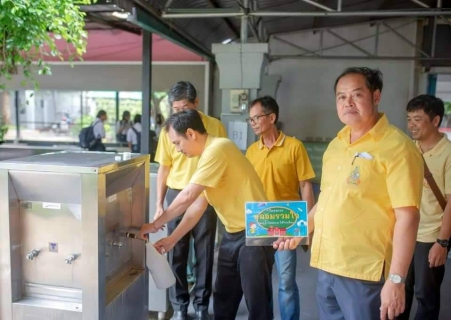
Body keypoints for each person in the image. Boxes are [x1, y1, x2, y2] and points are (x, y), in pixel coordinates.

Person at [274, 67, 424, 320]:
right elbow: (327, 202)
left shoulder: (398, 148)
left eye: (356, 94)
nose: (348, 102)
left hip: (365, 273)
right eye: (341, 97)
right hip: (327, 266)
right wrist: (299, 230)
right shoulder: (336, 145)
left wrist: (397, 280)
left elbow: (408, 217)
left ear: (376, 97)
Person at [139, 109, 276, 320]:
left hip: (255, 231)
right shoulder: (208, 156)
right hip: (232, 233)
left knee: (257, 303)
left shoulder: (219, 148)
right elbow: (197, 206)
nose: (177, 150)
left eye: (177, 143)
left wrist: (154, 224)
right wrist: (172, 239)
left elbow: (187, 196)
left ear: (191, 134)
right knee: (223, 299)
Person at [153, 81, 227, 320]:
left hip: (206, 194)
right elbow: (164, 168)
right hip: (177, 193)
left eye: (185, 107)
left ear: (197, 103)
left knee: (205, 252)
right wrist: (159, 204)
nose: (180, 113)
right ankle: (180, 307)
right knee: (176, 251)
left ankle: (202, 306)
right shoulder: (168, 131)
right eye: (176, 109)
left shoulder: (214, 126)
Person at [245, 96, 315, 320]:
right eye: (250, 119)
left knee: (286, 281)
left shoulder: (294, 147)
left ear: (272, 117)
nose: (253, 123)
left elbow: (305, 186)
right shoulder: (251, 151)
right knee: (261, 281)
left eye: (257, 117)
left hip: (287, 224)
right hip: (259, 223)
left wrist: (308, 226)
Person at [398, 95, 451, 320]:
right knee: (399, 289)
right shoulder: (409, 149)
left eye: (418, 119)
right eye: (409, 119)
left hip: (430, 236)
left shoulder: (448, 153)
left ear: (436, 120)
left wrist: (442, 242)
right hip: (405, 232)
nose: (411, 125)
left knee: (425, 296)